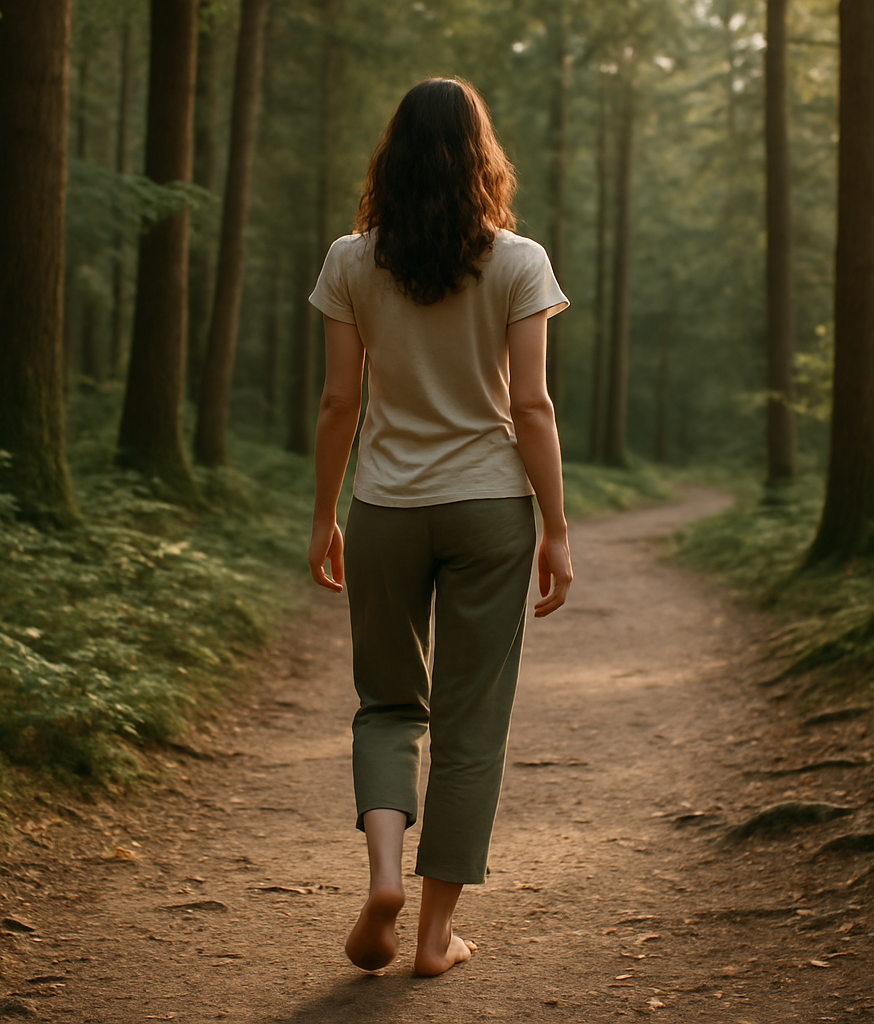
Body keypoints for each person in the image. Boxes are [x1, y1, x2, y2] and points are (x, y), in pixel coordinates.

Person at [306, 76, 573, 978]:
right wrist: (558, 530)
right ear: (479, 158)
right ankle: (430, 936)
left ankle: (382, 875)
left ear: (394, 156)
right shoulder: (518, 260)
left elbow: (341, 399)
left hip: (383, 506)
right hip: (492, 507)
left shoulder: (350, 259)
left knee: (386, 703)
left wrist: (323, 515)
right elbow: (531, 405)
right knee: (471, 725)